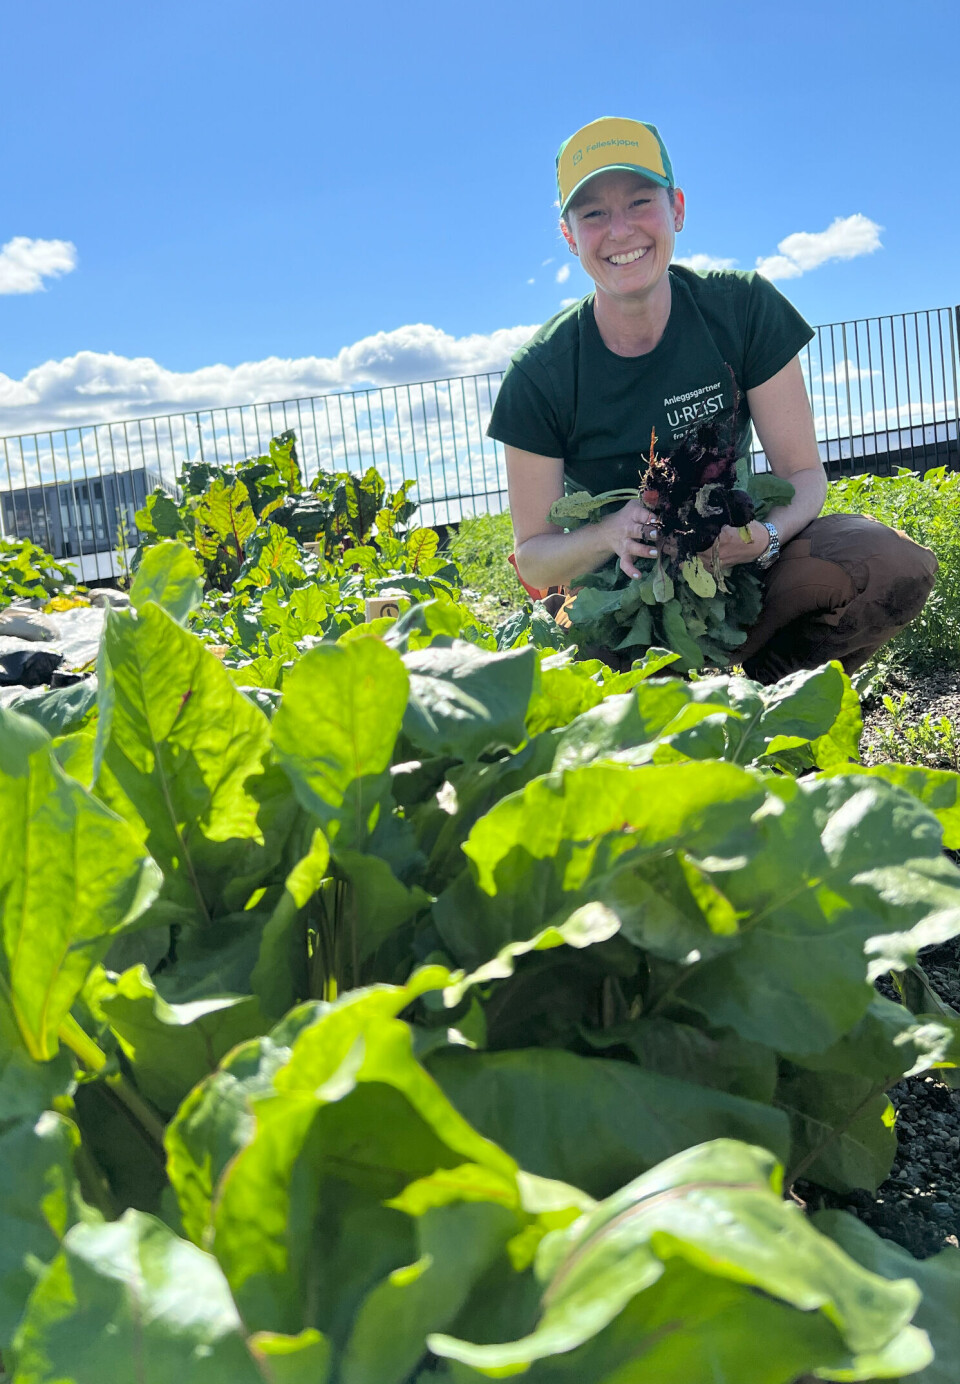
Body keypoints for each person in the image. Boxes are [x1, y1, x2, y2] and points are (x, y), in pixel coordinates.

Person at [487, 116, 937, 682]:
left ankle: (770, 705)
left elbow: (803, 475)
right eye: (594, 213)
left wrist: (762, 536)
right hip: (619, 594)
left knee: (888, 565)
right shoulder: (541, 373)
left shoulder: (742, 309)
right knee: (595, 708)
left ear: (676, 208)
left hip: (741, 569)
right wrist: (612, 532)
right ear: (569, 234)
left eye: (640, 201)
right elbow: (532, 554)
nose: (620, 230)